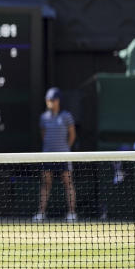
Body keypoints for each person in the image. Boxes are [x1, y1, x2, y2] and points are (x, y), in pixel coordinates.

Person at [33, 87, 77, 223]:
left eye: (52, 99)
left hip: (64, 156)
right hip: (47, 156)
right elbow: (43, 135)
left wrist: (64, 149)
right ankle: (41, 213)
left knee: (68, 183)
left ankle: (72, 213)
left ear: (58, 101)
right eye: (48, 99)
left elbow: (72, 135)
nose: (49, 102)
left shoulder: (66, 116)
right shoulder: (43, 117)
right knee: (46, 184)